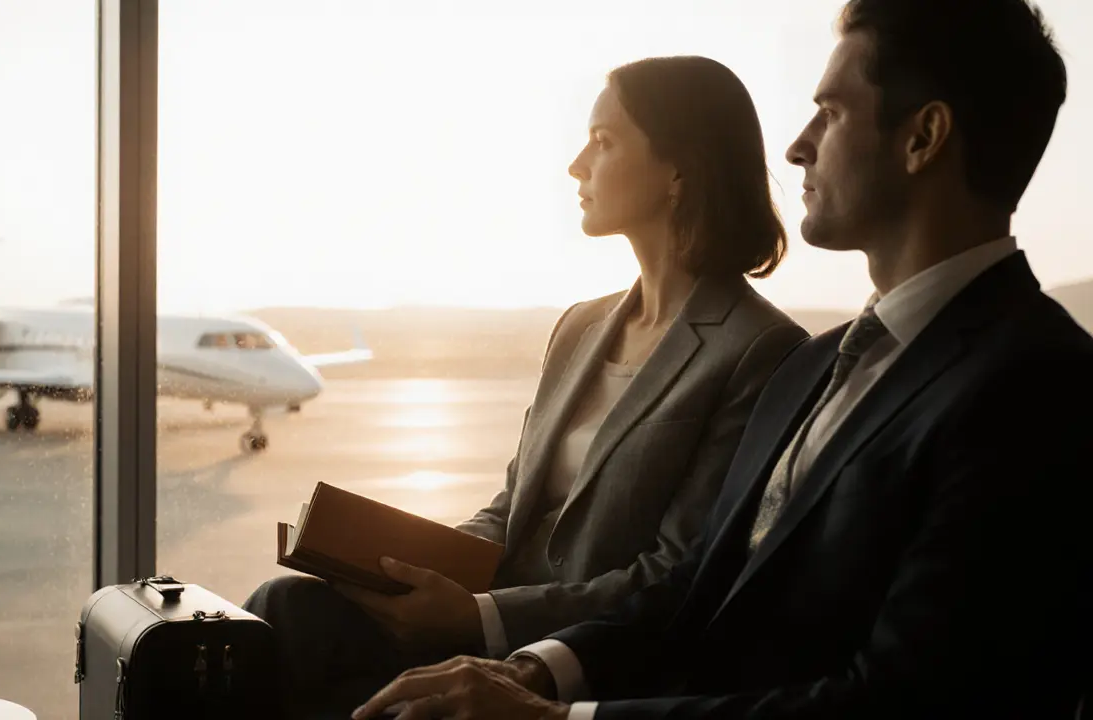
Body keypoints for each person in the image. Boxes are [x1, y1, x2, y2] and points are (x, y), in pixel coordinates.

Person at [353, 0, 1093, 718]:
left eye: (830, 113)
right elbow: (695, 587)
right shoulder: (815, 368)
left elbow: (902, 700)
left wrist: (556, 718)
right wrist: (530, 668)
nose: (798, 146)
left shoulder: (1039, 385)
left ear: (923, 137)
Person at [243, 55, 807, 717]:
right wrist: (399, 568)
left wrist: (481, 619)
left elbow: (678, 571)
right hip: (485, 615)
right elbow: (511, 509)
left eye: (603, 142)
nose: (576, 165)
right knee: (284, 609)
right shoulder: (580, 326)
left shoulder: (760, 349)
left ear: (679, 169)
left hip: (574, 654)